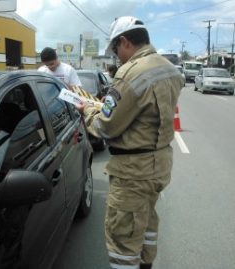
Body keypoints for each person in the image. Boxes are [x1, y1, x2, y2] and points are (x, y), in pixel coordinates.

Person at [76, 16, 183, 269]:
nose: (117, 58)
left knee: (123, 237)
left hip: (134, 171)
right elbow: (146, 113)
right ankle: (146, 264)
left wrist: (89, 111)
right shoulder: (168, 67)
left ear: (124, 41)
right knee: (146, 222)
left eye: (115, 51)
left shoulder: (130, 73)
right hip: (160, 164)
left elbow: (106, 126)